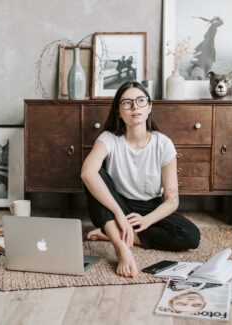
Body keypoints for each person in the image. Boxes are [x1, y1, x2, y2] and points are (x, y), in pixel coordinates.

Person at [81, 81, 200, 278]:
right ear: (119, 112)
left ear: (149, 106)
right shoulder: (109, 138)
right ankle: (120, 246)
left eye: (140, 101)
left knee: (190, 235)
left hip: (148, 207)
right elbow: (87, 172)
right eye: (127, 103)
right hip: (116, 204)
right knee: (94, 177)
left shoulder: (163, 144)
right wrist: (119, 214)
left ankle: (111, 233)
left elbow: (172, 200)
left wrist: (147, 220)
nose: (135, 107)